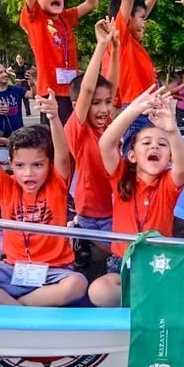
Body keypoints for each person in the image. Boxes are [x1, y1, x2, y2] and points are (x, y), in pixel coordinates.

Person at [0, 88, 88, 306]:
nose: (28, 173)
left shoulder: (56, 184)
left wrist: (53, 118)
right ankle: (23, 308)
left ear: (49, 166)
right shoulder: (7, 186)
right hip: (12, 269)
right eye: (20, 166)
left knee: (77, 284)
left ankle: (11, 307)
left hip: (54, 272)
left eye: (38, 165)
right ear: (11, 165)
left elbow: (62, 155)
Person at [88, 86, 184, 307]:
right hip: (122, 264)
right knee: (99, 291)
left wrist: (172, 130)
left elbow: (183, 168)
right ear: (132, 155)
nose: (155, 145)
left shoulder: (167, 183)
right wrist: (134, 109)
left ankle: (147, 300)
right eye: (146, 143)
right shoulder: (121, 177)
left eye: (162, 144)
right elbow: (105, 145)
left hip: (160, 262)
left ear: (169, 157)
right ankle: (146, 300)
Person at [65, 18, 118, 253]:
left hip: (113, 207)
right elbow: (87, 89)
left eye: (107, 103)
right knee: (122, 254)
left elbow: (113, 85)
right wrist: (100, 45)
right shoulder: (78, 129)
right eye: (96, 103)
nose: (104, 109)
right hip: (92, 212)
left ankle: (83, 237)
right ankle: (80, 234)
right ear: (81, 105)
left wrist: (114, 50)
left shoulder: (106, 125)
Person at [0, 63, 27, 137]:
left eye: (5, 71)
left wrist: (33, 83)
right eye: (0, 72)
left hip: (18, 138)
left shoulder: (16, 90)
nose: (5, 74)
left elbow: (32, 94)